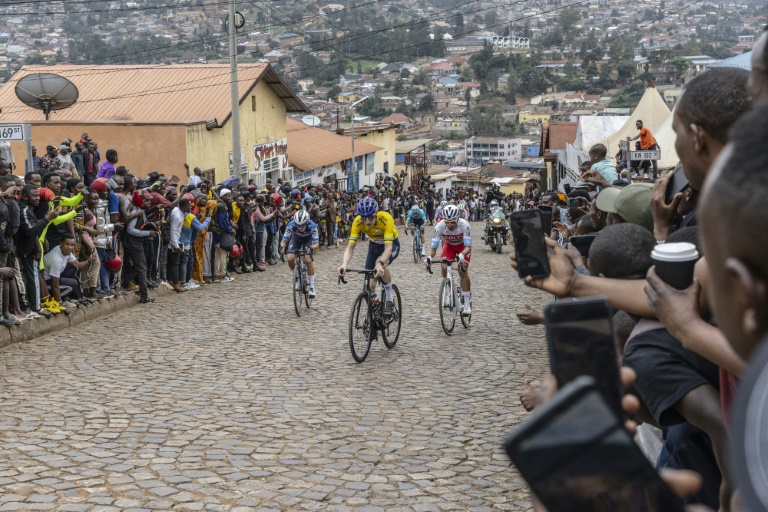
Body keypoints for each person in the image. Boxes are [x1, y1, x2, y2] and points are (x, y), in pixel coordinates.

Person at [338, 197, 400, 316]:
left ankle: (389, 299)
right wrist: (344, 264)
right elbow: (350, 248)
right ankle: (376, 308)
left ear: (376, 213)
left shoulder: (386, 219)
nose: (367, 222)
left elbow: (388, 249)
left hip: (391, 244)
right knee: (370, 284)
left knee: (381, 265)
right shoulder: (357, 222)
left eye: (370, 217)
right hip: (374, 245)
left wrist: (380, 263)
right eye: (364, 218)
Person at [427, 204, 472, 315]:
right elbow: (433, 248)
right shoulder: (439, 226)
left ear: (457, 219)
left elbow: (468, 247)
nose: (450, 225)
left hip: (463, 247)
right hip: (450, 246)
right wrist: (429, 257)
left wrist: (462, 255)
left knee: (463, 270)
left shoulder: (464, 225)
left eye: (452, 222)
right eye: (447, 222)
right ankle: (449, 287)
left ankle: (467, 302)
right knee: (443, 265)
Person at [43, 233, 95, 308]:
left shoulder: (66, 252)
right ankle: (58, 301)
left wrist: (89, 260)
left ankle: (68, 298)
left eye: (72, 245)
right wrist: (60, 305)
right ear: (61, 244)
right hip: (46, 284)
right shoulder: (56, 259)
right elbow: (55, 285)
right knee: (72, 284)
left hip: (52, 279)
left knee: (73, 275)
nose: (69, 247)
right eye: (67, 244)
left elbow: (78, 266)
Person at [279, 210, 319, 298]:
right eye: (298, 225)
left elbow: (316, 244)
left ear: (307, 222)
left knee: (308, 260)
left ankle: (312, 287)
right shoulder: (291, 224)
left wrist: (312, 248)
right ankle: (297, 277)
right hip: (296, 239)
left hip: (308, 240)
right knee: (290, 258)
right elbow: (284, 240)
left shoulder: (312, 226)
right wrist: (282, 247)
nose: (300, 227)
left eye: (302, 225)